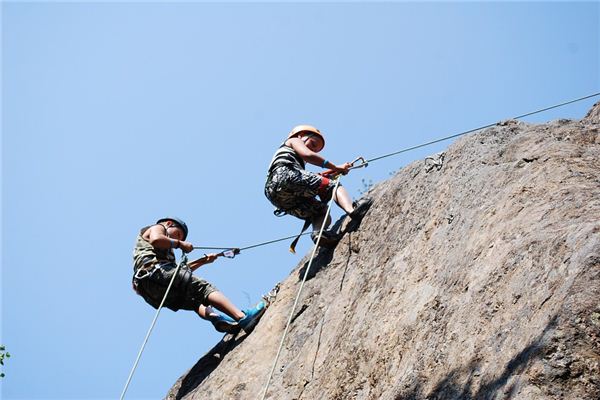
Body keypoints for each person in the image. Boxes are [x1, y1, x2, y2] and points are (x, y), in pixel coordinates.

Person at [132, 217, 265, 334]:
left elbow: (180, 273)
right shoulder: (158, 228)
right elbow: (156, 239)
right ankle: (242, 317)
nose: (176, 239)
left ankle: (216, 318)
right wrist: (179, 244)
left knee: (196, 302)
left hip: (152, 290)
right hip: (156, 273)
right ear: (169, 223)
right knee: (205, 289)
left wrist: (203, 261)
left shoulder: (165, 252)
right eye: (178, 234)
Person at [264, 125, 372, 248]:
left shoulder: (291, 159)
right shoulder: (294, 140)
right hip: (284, 175)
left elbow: (309, 180)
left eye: (316, 150)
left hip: (276, 194)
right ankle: (352, 210)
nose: (313, 149)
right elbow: (308, 155)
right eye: (313, 144)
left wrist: (334, 172)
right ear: (301, 135)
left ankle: (319, 234)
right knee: (332, 186)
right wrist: (335, 167)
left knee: (320, 211)